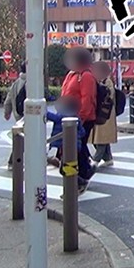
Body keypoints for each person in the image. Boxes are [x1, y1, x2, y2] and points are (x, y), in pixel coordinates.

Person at [60, 47, 97, 182]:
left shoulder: (86, 75)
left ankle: (81, 175)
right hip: (69, 117)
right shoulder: (72, 74)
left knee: (76, 146)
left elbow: (88, 99)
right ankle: (83, 171)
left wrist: (81, 118)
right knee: (76, 147)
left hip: (82, 118)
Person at [46, 96, 91, 194]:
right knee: (67, 167)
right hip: (72, 146)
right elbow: (82, 132)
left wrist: (43, 110)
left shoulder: (65, 115)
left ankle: (79, 184)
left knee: (66, 168)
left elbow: (54, 117)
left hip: (67, 145)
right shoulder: (75, 116)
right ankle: (72, 189)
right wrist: (76, 136)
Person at [90, 61, 118, 167]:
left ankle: (96, 159)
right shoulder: (101, 81)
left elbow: (109, 96)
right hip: (101, 113)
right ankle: (108, 158)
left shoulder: (107, 81)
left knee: (101, 138)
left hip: (106, 113)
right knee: (101, 137)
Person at [3, 62, 27, 170]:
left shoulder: (17, 82)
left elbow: (8, 98)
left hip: (18, 115)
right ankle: (13, 162)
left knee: (21, 138)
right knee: (25, 140)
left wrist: (7, 112)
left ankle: (13, 162)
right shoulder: (32, 82)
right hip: (28, 115)